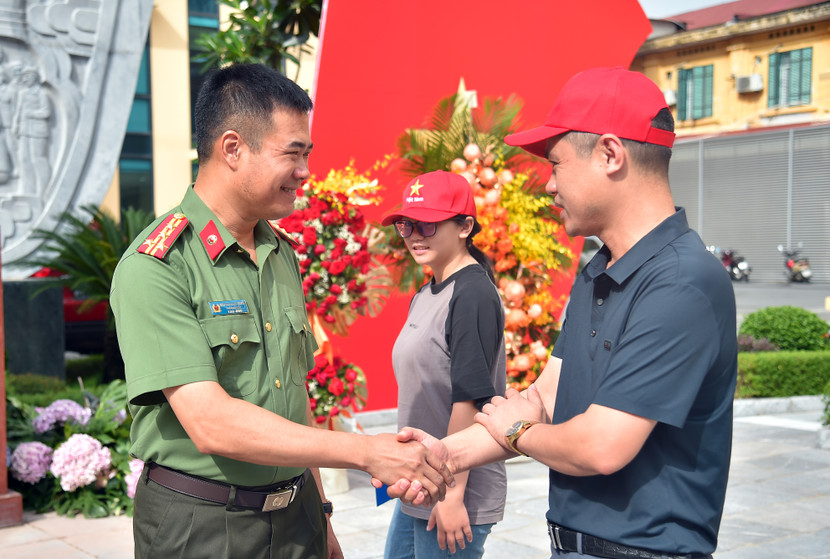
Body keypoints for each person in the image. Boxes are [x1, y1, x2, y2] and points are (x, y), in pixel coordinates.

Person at [385, 67, 737, 559]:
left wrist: (516, 431)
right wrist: (444, 456)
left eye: (556, 165)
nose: (549, 185)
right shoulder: (599, 272)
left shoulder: (682, 281)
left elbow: (601, 446)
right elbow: (544, 395)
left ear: (610, 154)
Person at [111, 63, 452, 559]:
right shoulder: (160, 265)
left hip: (297, 520)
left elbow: (294, 404)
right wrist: (366, 453)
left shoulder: (278, 252)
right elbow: (211, 423)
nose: (304, 172)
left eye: (306, 154)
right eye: (292, 154)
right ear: (233, 148)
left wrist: (324, 516)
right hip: (202, 527)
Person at [380, 170, 507, 558]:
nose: (416, 234)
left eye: (429, 223)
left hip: (453, 488)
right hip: (421, 482)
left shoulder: (471, 295)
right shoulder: (427, 292)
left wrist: (452, 496)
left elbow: (469, 401)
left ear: (465, 226)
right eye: (406, 224)